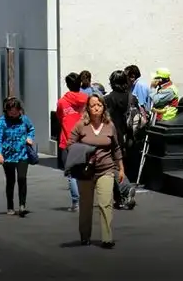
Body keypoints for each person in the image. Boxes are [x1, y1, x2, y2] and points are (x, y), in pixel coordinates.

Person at [67, 94, 124, 248]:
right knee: (85, 205)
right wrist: (84, 152)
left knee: (105, 204)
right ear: (88, 108)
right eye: (93, 105)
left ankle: (107, 238)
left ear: (104, 107)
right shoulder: (81, 125)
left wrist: (121, 168)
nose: (96, 107)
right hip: (86, 171)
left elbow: (116, 147)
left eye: (99, 104)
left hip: (106, 169)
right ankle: (85, 236)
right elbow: (70, 144)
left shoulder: (109, 125)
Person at [0, 96, 36, 216]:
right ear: (6, 110)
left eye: (16, 110)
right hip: (8, 156)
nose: (14, 113)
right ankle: (10, 206)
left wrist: (30, 137)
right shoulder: (2, 122)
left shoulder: (24, 119)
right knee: (10, 181)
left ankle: (22, 204)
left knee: (22, 178)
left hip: (22, 154)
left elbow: (31, 129)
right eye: (11, 110)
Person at [103, 69, 139, 209]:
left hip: (112, 137)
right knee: (122, 165)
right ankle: (121, 199)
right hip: (129, 137)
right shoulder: (132, 98)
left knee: (112, 166)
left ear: (112, 82)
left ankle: (126, 188)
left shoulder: (107, 99)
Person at [57, 73, 89, 211]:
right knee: (85, 171)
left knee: (72, 173)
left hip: (68, 139)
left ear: (68, 85)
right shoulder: (87, 99)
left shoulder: (62, 102)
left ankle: (76, 202)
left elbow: (60, 117)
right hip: (86, 139)